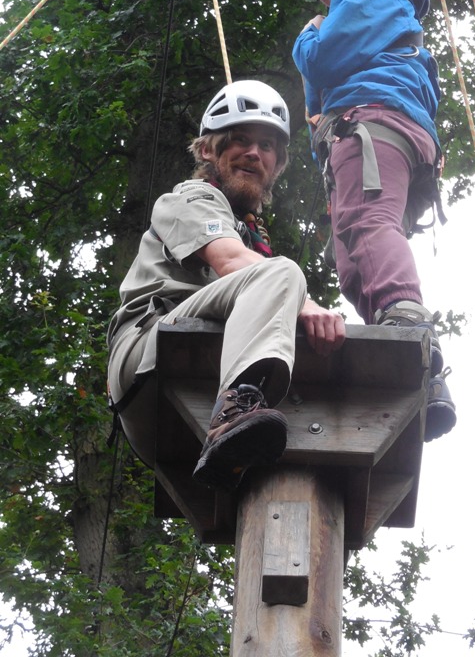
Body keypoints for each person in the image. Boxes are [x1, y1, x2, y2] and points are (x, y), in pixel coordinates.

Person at [107, 79, 346, 489]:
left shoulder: (249, 233)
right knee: (283, 274)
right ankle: (233, 412)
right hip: (147, 358)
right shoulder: (190, 198)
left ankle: (237, 430)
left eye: (267, 146)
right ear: (206, 150)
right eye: (240, 140)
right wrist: (304, 302)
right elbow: (229, 260)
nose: (254, 152)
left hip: (180, 411)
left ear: (277, 165)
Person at [291, 0, 455, 439]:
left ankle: (407, 322)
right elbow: (316, 106)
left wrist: (310, 37)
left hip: (372, 121)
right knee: (351, 261)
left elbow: (320, 64)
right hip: (362, 134)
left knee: (368, 225)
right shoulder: (361, 8)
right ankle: (420, 371)